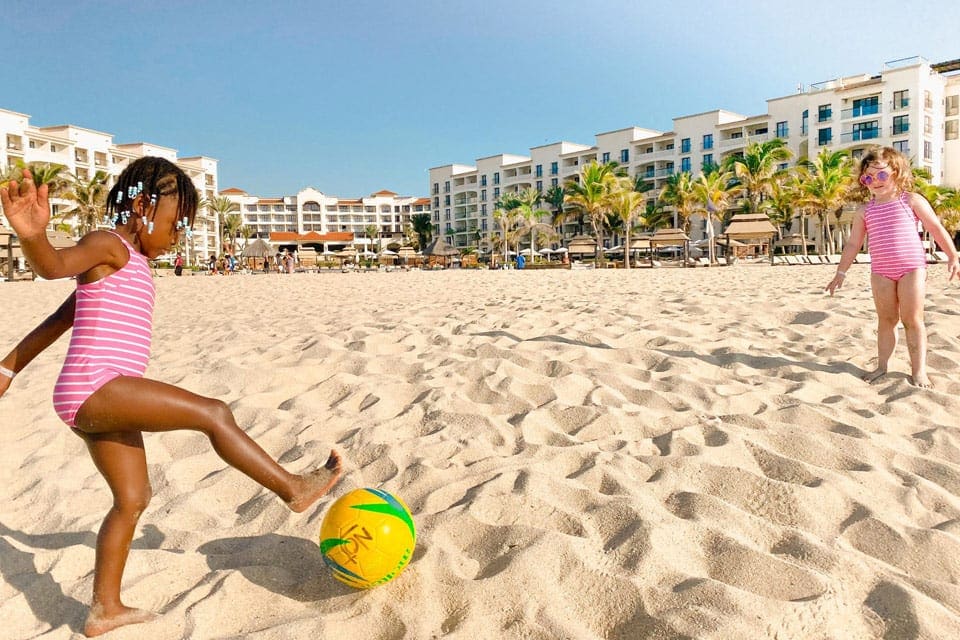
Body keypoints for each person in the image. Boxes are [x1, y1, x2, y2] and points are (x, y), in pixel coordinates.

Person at [0, 158, 342, 637]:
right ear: (142, 207)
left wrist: (9, 365)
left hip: (98, 395)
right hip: (95, 388)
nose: (177, 238)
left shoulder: (132, 262)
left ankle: (105, 609)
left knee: (132, 498)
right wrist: (33, 236)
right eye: (176, 226)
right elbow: (54, 267)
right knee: (213, 413)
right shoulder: (107, 244)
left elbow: (62, 318)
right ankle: (293, 489)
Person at [825, 146, 960, 387]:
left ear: (897, 173)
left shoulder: (911, 200)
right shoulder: (865, 211)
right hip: (881, 271)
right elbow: (854, 244)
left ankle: (918, 370)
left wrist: (952, 256)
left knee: (912, 319)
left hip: (912, 268)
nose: (875, 181)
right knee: (886, 319)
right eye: (868, 177)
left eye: (882, 175)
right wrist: (841, 271)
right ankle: (882, 366)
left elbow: (936, 229)